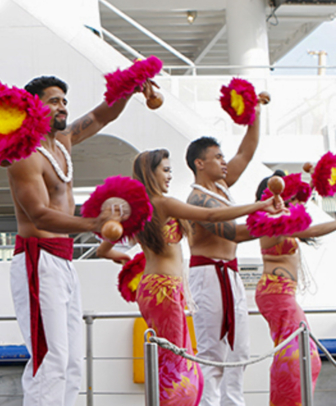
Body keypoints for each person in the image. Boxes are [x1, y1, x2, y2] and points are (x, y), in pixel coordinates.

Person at [6, 75, 143, 406]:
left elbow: (100, 116)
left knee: (71, 361)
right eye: (54, 101)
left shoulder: (62, 143)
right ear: (33, 107)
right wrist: (93, 223)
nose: (62, 107)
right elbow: (38, 213)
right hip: (37, 260)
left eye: (64, 101)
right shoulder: (25, 154)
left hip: (63, 261)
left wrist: (130, 88)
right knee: (49, 359)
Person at [131, 149, 280, 406]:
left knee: (174, 360)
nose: (169, 175)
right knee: (178, 362)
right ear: (149, 172)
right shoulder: (164, 203)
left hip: (156, 287)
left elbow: (110, 243)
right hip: (165, 289)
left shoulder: (141, 208)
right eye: (164, 170)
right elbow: (211, 216)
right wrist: (260, 206)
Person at [184, 106, 263, 406]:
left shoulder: (221, 186)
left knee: (239, 352)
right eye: (218, 157)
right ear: (199, 163)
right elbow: (236, 234)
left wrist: (254, 111)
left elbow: (247, 150)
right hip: (208, 275)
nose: (224, 161)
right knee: (212, 355)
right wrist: (276, 222)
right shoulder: (198, 199)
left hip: (230, 274)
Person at [253, 172, 336, 405]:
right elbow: (309, 231)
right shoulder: (268, 222)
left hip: (282, 294)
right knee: (299, 355)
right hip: (276, 294)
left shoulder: (283, 217)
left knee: (300, 355)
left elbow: (302, 202)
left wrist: (313, 179)